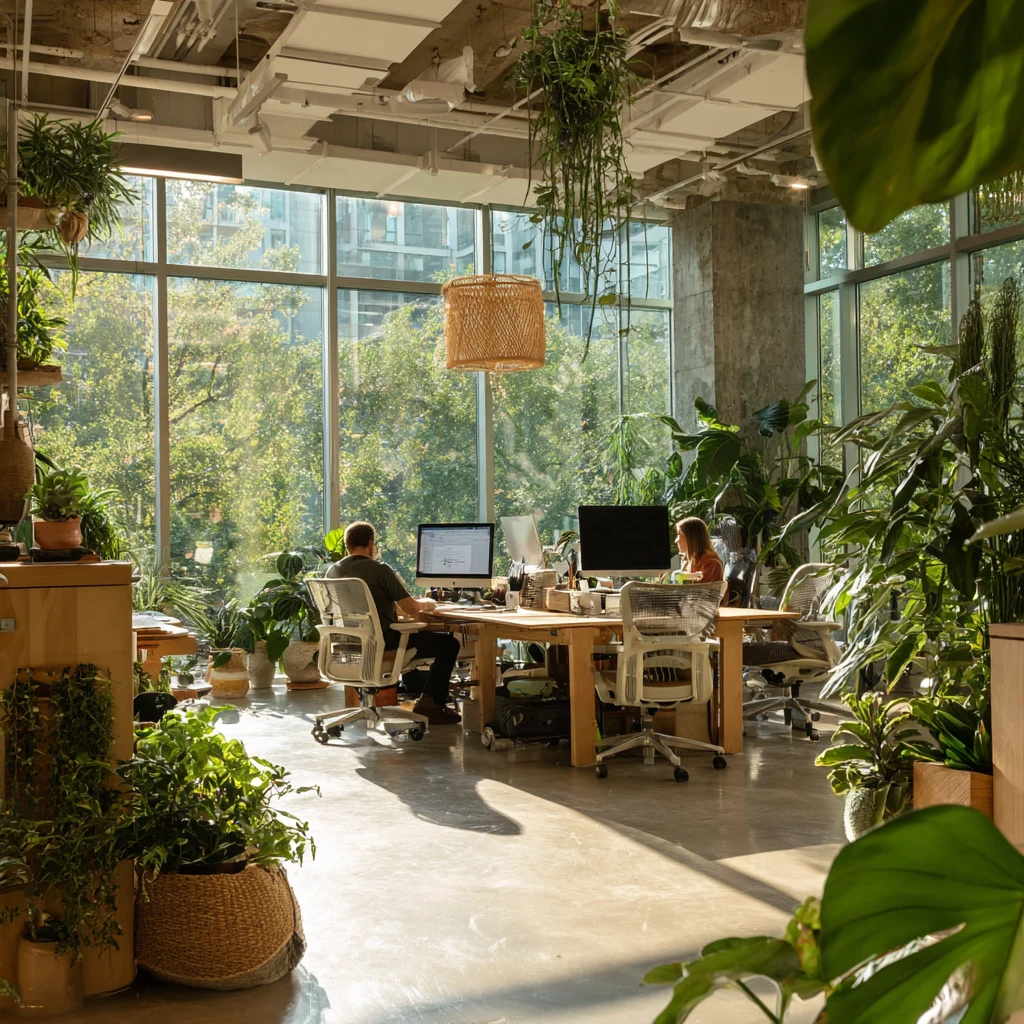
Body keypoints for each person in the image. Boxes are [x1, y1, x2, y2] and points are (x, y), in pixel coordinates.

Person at [326, 521, 461, 725]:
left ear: (347, 545)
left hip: (347, 646)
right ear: (371, 543)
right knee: (449, 644)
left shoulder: (332, 572)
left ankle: (427, 702)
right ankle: (431, 705)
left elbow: (366, 606)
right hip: (384, 645)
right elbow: (410, 608)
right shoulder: (379, 569)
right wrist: (426, 603)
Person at [675, 517, 724, 583]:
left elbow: (699, 591)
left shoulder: (711, 563)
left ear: (691, 538)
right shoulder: (690, 559)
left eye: (679, 535)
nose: (676, 541)